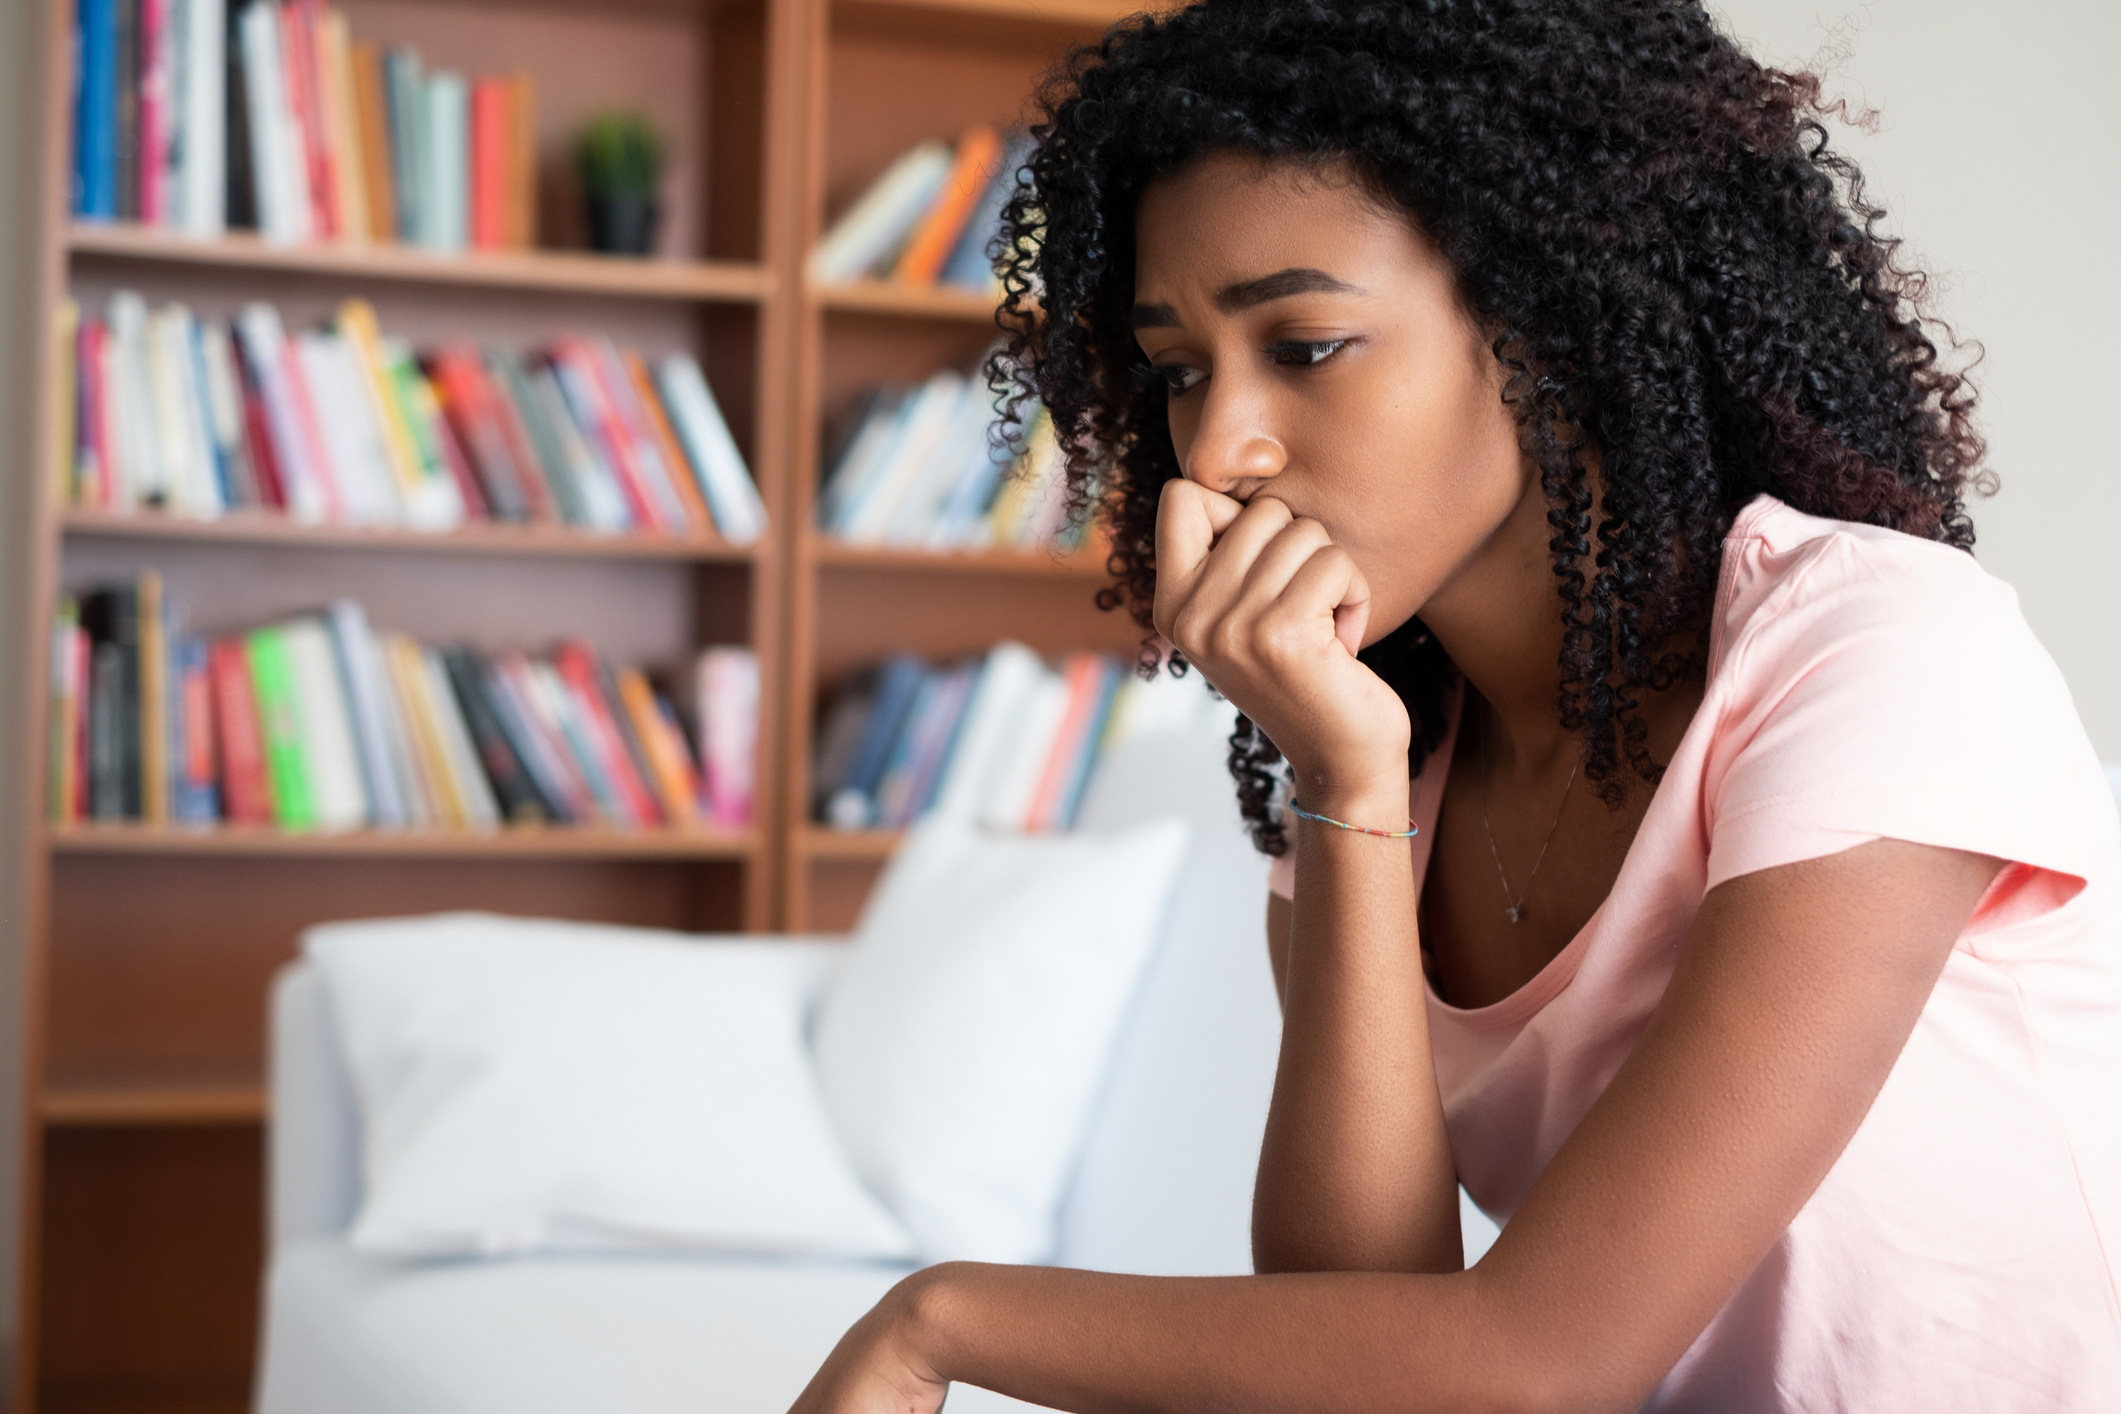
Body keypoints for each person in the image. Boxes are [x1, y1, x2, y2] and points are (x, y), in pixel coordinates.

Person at [790, 1, 2121, 1409]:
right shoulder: (1363, 766)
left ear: (1544, 322)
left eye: (1300, 346)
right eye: (1179, 371)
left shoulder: (1872, 651)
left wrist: (934, 1321)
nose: (1220, 449)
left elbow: (1534, 1367)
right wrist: (1346, 790)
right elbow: (1356, 1348)